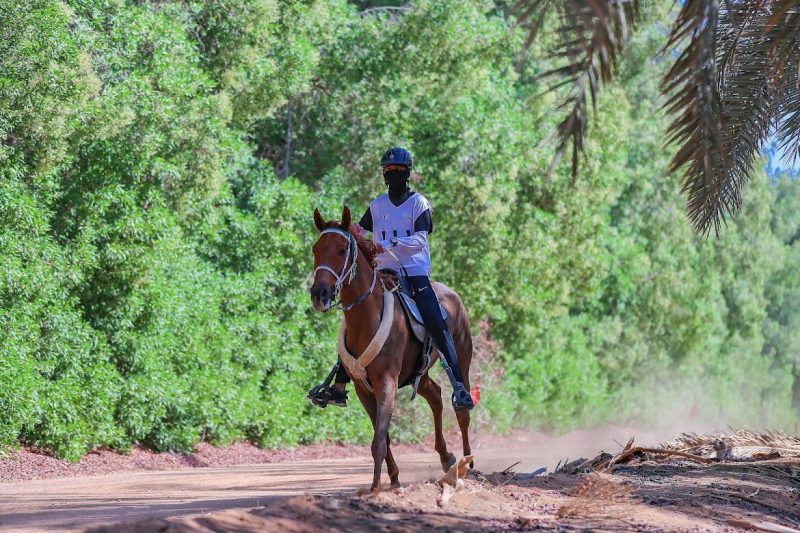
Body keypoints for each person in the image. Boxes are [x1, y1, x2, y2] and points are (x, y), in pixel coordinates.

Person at [307, 147, 475, 411]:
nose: (393, 174)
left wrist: (387, 244)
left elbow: (421, 238)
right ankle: (338, 384)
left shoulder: (419, 203)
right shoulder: (377, 205)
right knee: (358, 318)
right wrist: (338, 230)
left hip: (415, 273)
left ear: (407, 172)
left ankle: (459, 386)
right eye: (388, 171)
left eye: (397, 170)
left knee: (435, 319)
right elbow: (358, 231)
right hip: (383, 274)